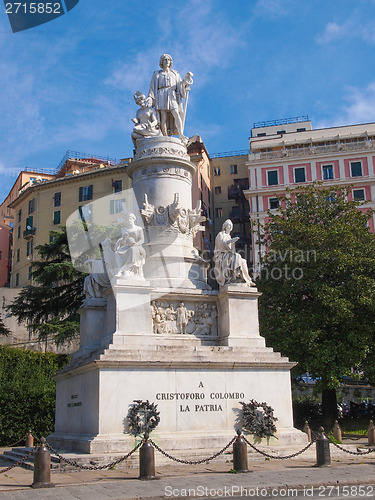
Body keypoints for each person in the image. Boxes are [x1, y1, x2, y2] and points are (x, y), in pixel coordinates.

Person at [147, 54, 192, 142]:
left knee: (176, 113)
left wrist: (186, 81)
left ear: (170, 62)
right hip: (161, 94)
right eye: (165, 59)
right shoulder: (157, 74)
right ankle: (165, 136)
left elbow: (180, 86)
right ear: (162, 62)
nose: (167, 61)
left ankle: (181, 134)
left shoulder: (175, 73)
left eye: (168, 60)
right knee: (163, 117)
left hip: (172, 94)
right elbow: (152, 87)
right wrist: (150, 97)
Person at [214, 219, 255, 287]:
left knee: (243, 261)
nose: (231, 227)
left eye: (231, 226)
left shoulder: (229, 236)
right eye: (229, 226)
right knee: (237, 256)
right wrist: (231, 241)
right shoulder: (221, 234)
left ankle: (245, 279)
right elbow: (221, 245)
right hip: (222, 254)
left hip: (228, 254)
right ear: (225, 226)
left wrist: (232, 242)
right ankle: (233, 277)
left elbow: (231, 248)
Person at [114, 213, 146, 277]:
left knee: (132, 250)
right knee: (117, 253)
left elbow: (142, 240)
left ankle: (126, 270)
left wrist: (135, 244)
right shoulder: (126, 230)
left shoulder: (138, 228)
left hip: (137, 246)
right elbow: (122, 243)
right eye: (127, 219)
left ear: (133, 219)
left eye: (130, 219)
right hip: (127, 246)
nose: (129, 220)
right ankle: (122, 271)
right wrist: (124, 238)